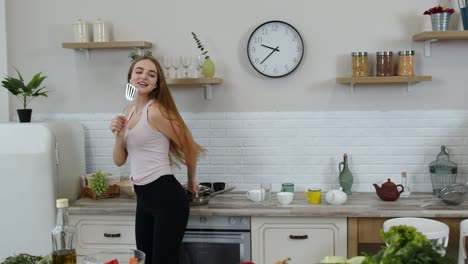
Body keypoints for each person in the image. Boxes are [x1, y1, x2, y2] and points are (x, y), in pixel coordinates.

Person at [110, 56, 205, 264]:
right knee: (144, 260)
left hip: (166, 198)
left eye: (151, 74)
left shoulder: (156, 111)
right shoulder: (129, 110)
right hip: (143, 199)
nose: (144, 76)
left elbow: (190, 148)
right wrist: (119, 135)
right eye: (139, 71)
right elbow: (119, 160)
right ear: (130, 78)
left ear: (156, 84)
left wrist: (190, 184)